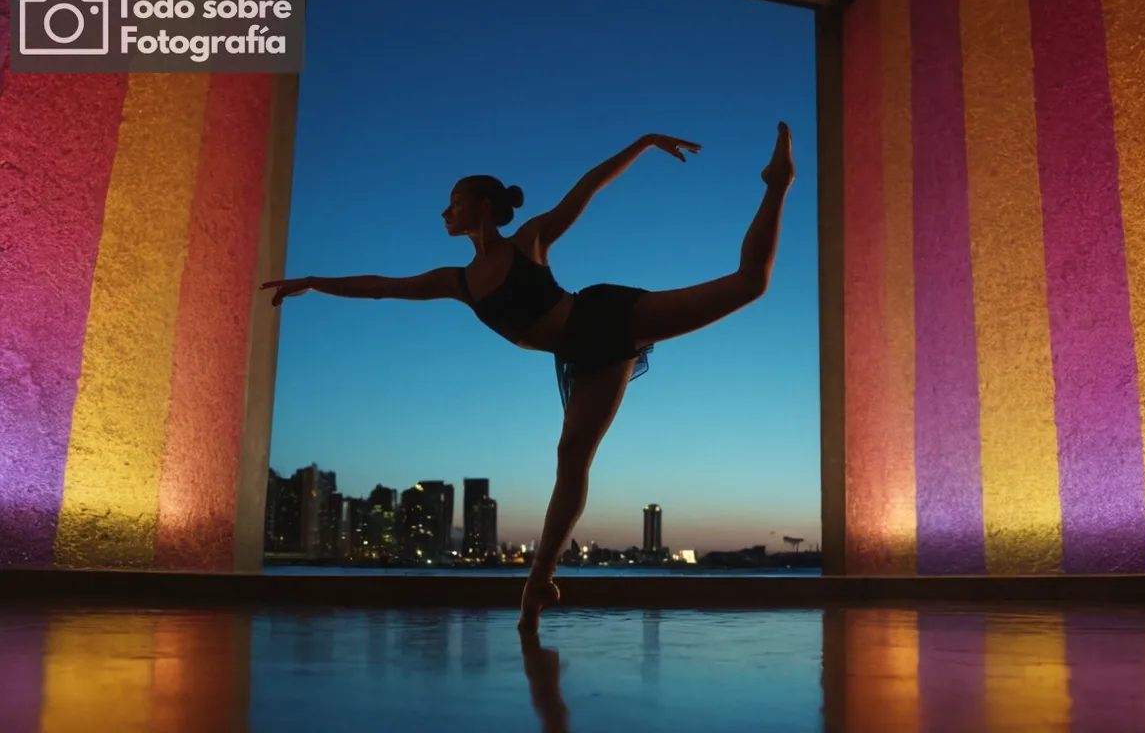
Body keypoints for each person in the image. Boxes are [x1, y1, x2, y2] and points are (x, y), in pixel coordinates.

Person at [261, 122, 795, 633]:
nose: (446, 211)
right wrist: (315, 281)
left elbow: (587, 188)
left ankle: (777, 184)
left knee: (748, 286)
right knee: (571, 460)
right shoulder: (459, 281)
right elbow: (382, 286)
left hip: (605, 318)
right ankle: (539, 582)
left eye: (456, 201)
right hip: (584, 358)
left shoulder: (529, 241)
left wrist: (644, 142)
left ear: (484, 208)